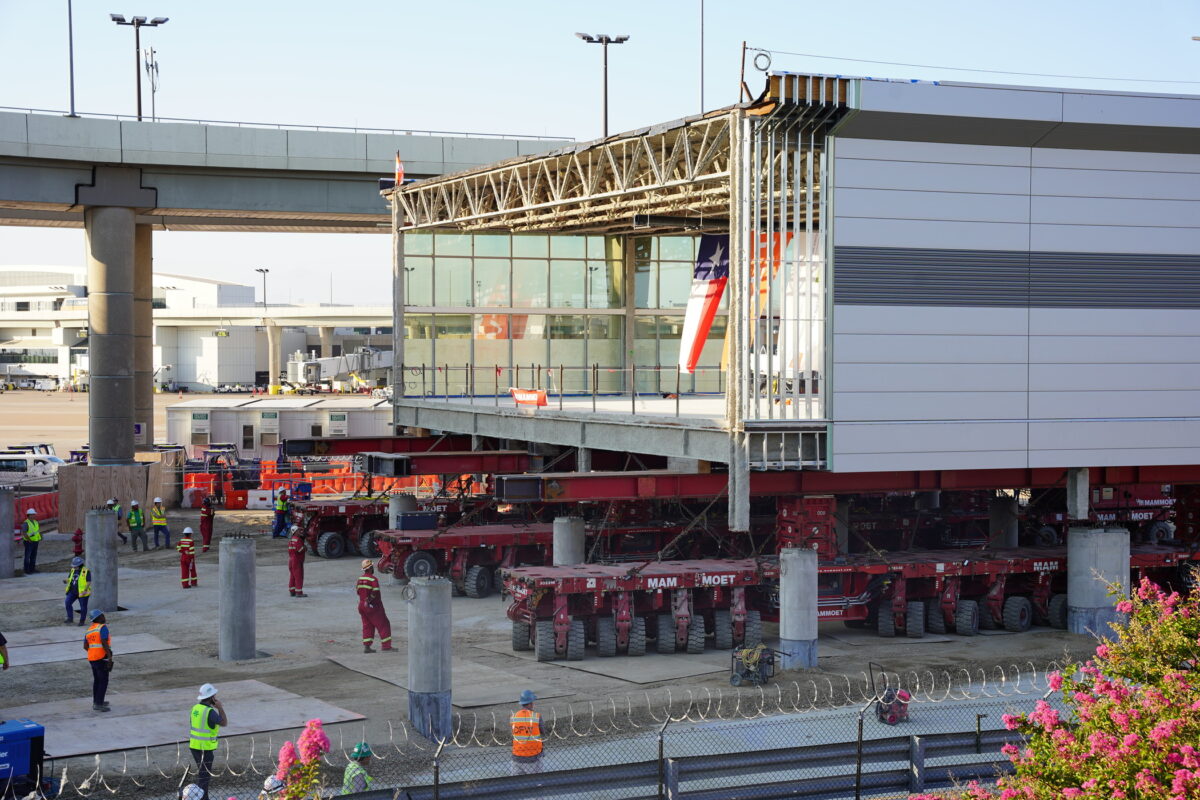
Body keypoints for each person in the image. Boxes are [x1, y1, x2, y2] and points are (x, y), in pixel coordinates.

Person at [189, 683, 228, 800]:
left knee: (202, 774)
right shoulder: (209, 711)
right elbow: (224, 723)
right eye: (214, 696)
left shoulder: (195, 708)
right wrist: (220, 707)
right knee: (204, 776)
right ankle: (202, 797)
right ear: (211, 697)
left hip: (194, 746)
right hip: (205, 748)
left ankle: (201, 797)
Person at [356, 560, 393, 653]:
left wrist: (365, 599)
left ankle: (367, 647)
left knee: (367, 625)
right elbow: (375, 590)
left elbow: (358, 592)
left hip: (362, 605)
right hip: (373, 606)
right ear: (370, 568)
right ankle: (386, 646)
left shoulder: (360, 579)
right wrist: (369, 600)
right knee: (383, 624)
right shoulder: (373, 579)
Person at [84, 609, 112, 712]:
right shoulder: (102, 628)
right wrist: (109, 657)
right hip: (101, 658)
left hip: (92, 658)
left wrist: (93, 652)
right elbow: (104, 642)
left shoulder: (89, 630)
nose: (104, 617)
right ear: (98, 618)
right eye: (102, 616)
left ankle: (97, 701)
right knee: (103, 681)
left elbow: (85, 646)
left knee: (97, 680)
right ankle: (98, 704)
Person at [510, 690, 544, 775]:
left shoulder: (514, 717)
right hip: (532, 757)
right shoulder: (536, 716)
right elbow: (543, 731)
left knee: (516, 781)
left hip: (516, 756)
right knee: (536, 781)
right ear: (530, 704)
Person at [64, 556, 91, 625]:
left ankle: (82, 621)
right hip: (72, 591)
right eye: (73, 566)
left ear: (80, 565)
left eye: (75, 566)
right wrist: (66, 580)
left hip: (82, 593)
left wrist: (85, 590)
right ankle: (70, 618)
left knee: (83, 607)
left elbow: (88, 582)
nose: (74, 567)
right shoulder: (73, 570)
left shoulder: (86, 571)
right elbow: (69, 578)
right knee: (67, 602)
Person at [287, 525, 308, 597]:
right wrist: (305, 547)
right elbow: (300, 550)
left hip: (291, 560)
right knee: (299, 576)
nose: (300, 532)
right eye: (299, 530)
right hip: (297, 561)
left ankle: (292, 591)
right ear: (295, 532)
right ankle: (299, 592)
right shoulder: (297, 540)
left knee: (292, 576)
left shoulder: (292, 539)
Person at [21, 508, 40, 574]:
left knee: (33, 556)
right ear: (29, 515)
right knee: (27, 556)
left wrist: (39, 538)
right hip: (28, 542)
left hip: (35, 541)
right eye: (33, 514)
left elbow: (37, 531)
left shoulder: (36, 522)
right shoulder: (26, 523)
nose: (34, 515)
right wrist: (29, 540)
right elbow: (24, 533)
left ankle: (32, 569)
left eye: (34, 514)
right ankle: (26, 570)